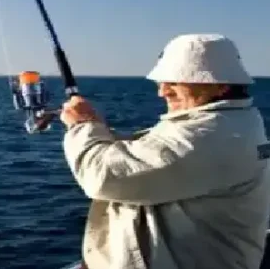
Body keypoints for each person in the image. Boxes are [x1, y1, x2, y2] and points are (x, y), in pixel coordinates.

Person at [60, 34, 270, 269]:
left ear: (221, 85)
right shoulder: (234, 122)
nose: (163, 92)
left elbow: (103, 176)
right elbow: (158, 155)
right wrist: (98, 130)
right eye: (162, 81)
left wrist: (83, 125)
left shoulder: (208, 134)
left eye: (175, 81)